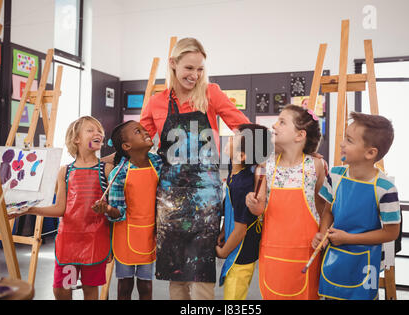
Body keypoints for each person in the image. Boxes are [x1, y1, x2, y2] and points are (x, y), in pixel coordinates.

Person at [140, 37, 250, 300]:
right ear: (173, 64)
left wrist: (259, 164)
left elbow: (245, 128)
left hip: (205, 199)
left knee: (201, 272)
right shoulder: (157, 102)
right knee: (174, 272)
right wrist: (111, 158)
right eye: (189, 68)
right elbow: (137, 141)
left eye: (200, 69)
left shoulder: (211, 93)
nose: (195, 75)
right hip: (169, 198)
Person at [10, 116, 113, 300]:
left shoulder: (106, 170)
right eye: (90, 130)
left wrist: (106, 210)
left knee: (90, 290)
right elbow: (60, 209)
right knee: (63, 289)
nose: (97, 133)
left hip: (95, 242)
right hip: (69, 243)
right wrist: (30, 209)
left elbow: (115, 209)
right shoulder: (65, 171)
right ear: (76, 139)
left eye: (100, 131)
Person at [313, 112, 400, 300]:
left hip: (365, 264)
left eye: (349, 140)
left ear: (370, 153)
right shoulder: (335, 175)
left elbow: (391, 233)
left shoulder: (385, 188)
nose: (342, 143)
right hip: (334, 257)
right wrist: (322, 234)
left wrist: (348, 238)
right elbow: (328, 211)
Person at [246, 104, 326, 300]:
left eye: (282, 122)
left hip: (307, 251)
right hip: (272, 250)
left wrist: (323, 233)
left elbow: (323, 207)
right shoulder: (266, 165)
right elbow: (260, 208)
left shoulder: (315, 165)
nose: (274, 125)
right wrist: (254, 205)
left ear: (300, 135)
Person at [92, 120, 162, 300]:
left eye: (144, 129)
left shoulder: (158, 163)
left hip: (149, 234)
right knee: (125, 285)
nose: (146, 132)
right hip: (125, 236)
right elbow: (118, 211)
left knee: (146, 285)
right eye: (138, 131)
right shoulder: (119, 173)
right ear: (126, 146)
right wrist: (107, 208)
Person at [216, 123, 273, 300]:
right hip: (236, 242)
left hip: (241, 251)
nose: (229, 139)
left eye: (234, 138)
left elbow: (241, 229)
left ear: (242, 155)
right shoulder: (235, 176)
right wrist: (224, 229)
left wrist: (223, 252)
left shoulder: (243, 185)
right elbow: (230, 207)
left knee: (233, 294)